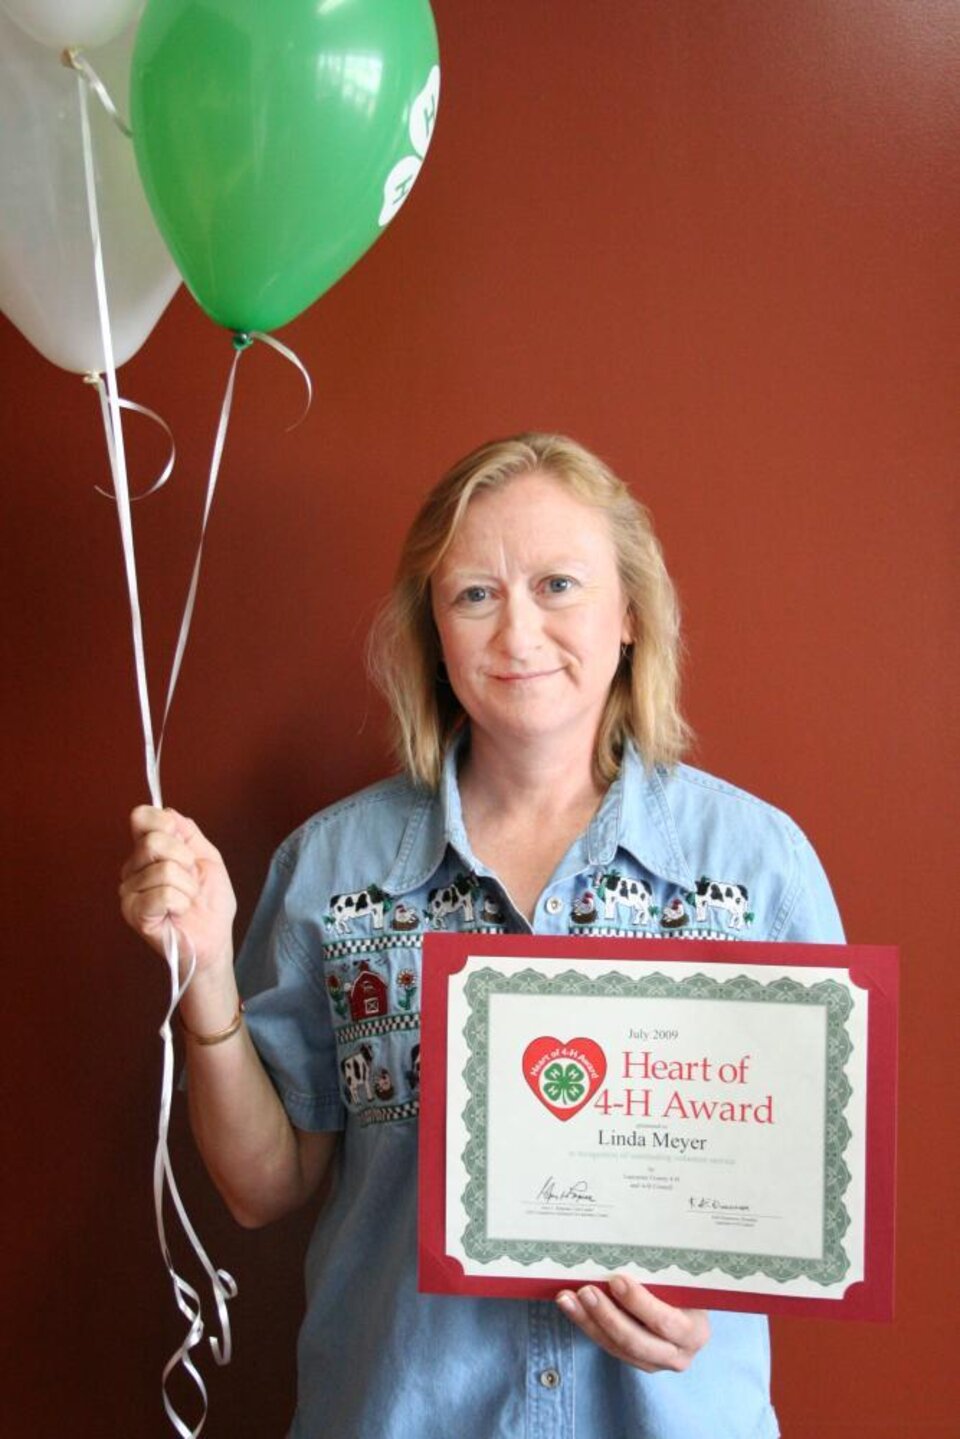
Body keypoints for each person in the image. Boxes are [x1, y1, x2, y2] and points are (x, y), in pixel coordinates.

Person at [120, 433, 843, 1439]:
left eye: (557, 583)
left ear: (629, 612)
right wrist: (201, 970)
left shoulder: (756, 869)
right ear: (434, 631)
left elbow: (802, 1202)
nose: (518, 631)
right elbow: (263, 1185)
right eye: (474, 595)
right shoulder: (332, 869)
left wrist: (704, 1309)